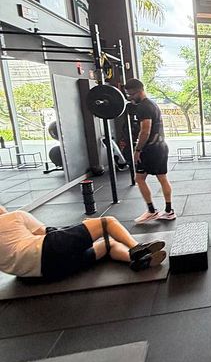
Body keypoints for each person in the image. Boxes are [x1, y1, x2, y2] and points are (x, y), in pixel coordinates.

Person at [0, 205, 166, 281]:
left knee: (108, 245)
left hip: (40, 274)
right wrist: (85, 225)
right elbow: (48, 232)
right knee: (107, 222)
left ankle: (139, 261)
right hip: (48, 250)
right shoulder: (14, 216)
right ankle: (136, 248)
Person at [123, 78, 176, 224]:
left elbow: (145, 131)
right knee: (159, 178)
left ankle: (153, 211)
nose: (130, 98)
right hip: (160, 147)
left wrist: (137, 150)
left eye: (131, 94)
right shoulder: (152, 104)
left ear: (139, 91)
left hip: (151, 149)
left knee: (140, 179)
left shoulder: (144, 107)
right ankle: (167, 211)